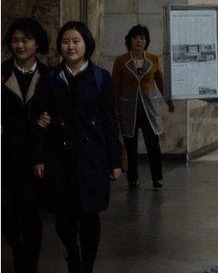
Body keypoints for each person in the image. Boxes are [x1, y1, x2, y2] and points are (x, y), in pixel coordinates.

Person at [32, 21, 123, 273]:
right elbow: (40, 118)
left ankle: (87, 266)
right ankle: (72, 254)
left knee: (90, 215)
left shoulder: (100, 77)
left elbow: (109, 120)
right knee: (64, 216)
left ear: (86, 44)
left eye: (75, 41)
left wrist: (116, 161)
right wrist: (39, 158)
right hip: (59, 158)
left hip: (92, 158)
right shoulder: (51, 78)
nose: (70, 46)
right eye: (65, 41)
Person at [2, 18, 51, 273]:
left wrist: (49, 119)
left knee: (30, 212)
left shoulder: (48, 75)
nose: (20, 45)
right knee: (8, 213)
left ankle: (28, 263)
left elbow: (56, 109)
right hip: (6, 152)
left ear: (37, 43)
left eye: (26, 40)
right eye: (15, 40)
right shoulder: (2, 73)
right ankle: (19, 252)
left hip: (34, 154)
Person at [112, 24, 174, 190]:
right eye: (135, 38)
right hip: (128, 110)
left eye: (142, 38)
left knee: (153, 144)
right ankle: (132, 178)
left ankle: (157, 178)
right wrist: (114, 109)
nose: (139, 41)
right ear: (129, 40)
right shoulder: (121, 60)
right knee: (130, 146)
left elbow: (160, 82)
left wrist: (169, 100)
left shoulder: (153, 58)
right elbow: (115, 87)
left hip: (149, 109)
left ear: (146, 41)